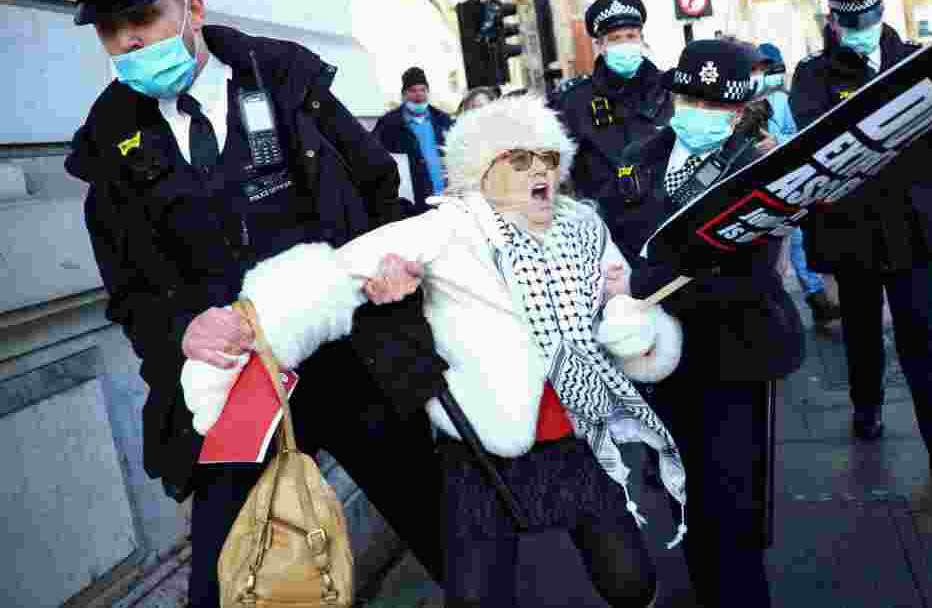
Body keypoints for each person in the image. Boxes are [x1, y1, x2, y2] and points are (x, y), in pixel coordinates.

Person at [40, 0, 449, 605]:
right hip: (239, 387)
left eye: (142, 21)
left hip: (353, 356)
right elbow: (131, 295)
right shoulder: (109, 145)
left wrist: (396, 261)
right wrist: (183, 330)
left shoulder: (287, 81)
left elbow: (378, 195)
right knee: (222, 585)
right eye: (112, 33)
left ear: (192, 7)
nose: (129, 45)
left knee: (450, 540)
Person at [230, 96, 689, 607]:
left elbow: (622, 304)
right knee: (476, 596)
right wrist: (247, 323)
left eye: (548, 158)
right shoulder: (449, 227)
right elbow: (335, 275)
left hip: (574, 440)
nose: (539, 169)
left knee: (629, 579)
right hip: (478, 450)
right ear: (480, 170)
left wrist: (633, 325)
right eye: (519, 158)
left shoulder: (582, 225)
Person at [602, 39, 806, 608]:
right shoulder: (637, 158)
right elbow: (612, 234)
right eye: (692, 97)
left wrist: (639, 286)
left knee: (731, 509)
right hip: (656, 363)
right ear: (673, 95)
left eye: (718, 106)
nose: (703, 112)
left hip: (732, 356)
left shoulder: (758, 171)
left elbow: (748, 277)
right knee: (684, 498)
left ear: (739, 113)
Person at [789, 0, 932, 476]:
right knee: (862, 330)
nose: (862, 29)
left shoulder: (916, 61)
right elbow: (815, 133)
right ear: (834, 23)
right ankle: (867, 405)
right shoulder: (814, 75)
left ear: (880, 14)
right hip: (852, 227)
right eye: (851, 22)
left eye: (869, 18)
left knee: (921, 332)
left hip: (909, 225)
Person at [749, 42, 842, 325]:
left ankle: (816, 300)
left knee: (798, 246)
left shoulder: (788, 100)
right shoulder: (747, 102)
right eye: (759, 68)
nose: (764, 73)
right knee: (775, 255)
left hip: (792, 184)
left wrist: (780, 143)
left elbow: (802, 136)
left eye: (769, 68)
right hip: (766, 189)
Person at [551, 0, 673, 203]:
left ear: (642, 40)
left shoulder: (670, 91)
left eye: (631, 36)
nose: (625, 44)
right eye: (615, 39)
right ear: (600, 46)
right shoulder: (573, 102)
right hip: (608, 227)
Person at [372, 67, 454, 212]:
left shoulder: (443, 120)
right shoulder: (388, 124)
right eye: (413, 90)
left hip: (447, 199)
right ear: (404, 94)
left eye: (423, 90)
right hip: (413, 203)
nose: (419, 95)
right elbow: (377, 159)